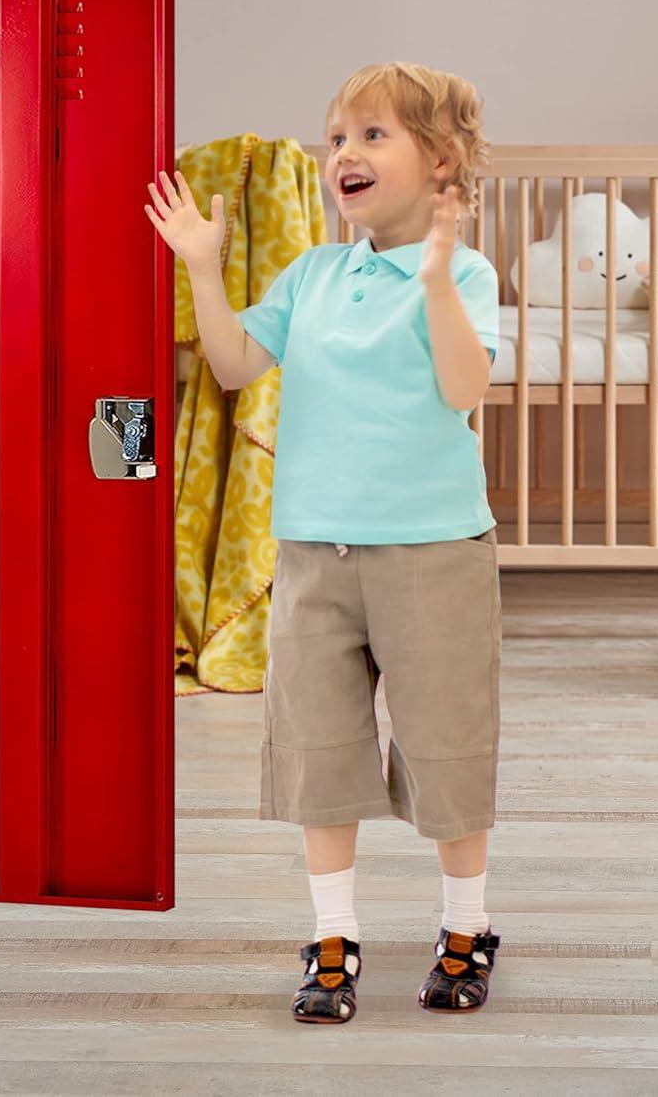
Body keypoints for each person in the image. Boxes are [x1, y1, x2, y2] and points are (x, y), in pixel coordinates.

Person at [146, 62, 502, 1024]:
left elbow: (465, 389)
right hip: (312, 558)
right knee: (320, 751)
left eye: (372, 135)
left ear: (439, 164)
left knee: (446, 748)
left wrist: (431, 282)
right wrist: (203, 263)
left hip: (433, 553)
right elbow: (230, 363)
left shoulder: (463, 274)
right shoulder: (310, 275)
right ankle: (332, 940)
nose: (344, 152)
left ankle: (465, 928)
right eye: (337, 136)